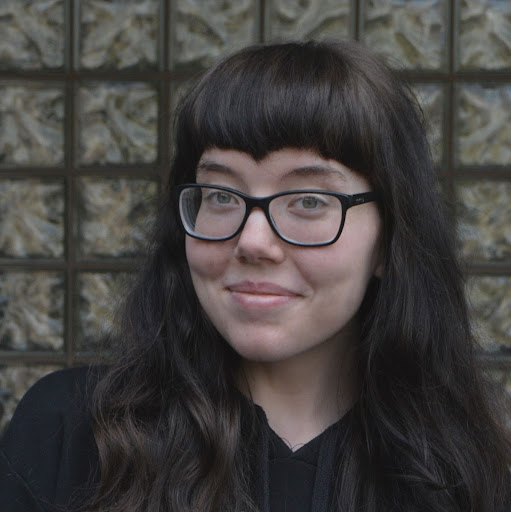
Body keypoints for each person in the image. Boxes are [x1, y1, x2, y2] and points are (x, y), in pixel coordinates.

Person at [1, 40, 510, 512]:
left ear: (389, 237)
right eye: (222, 195)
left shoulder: (474, 474)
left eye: (309, 201)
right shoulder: (69, 434)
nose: (253, 242)